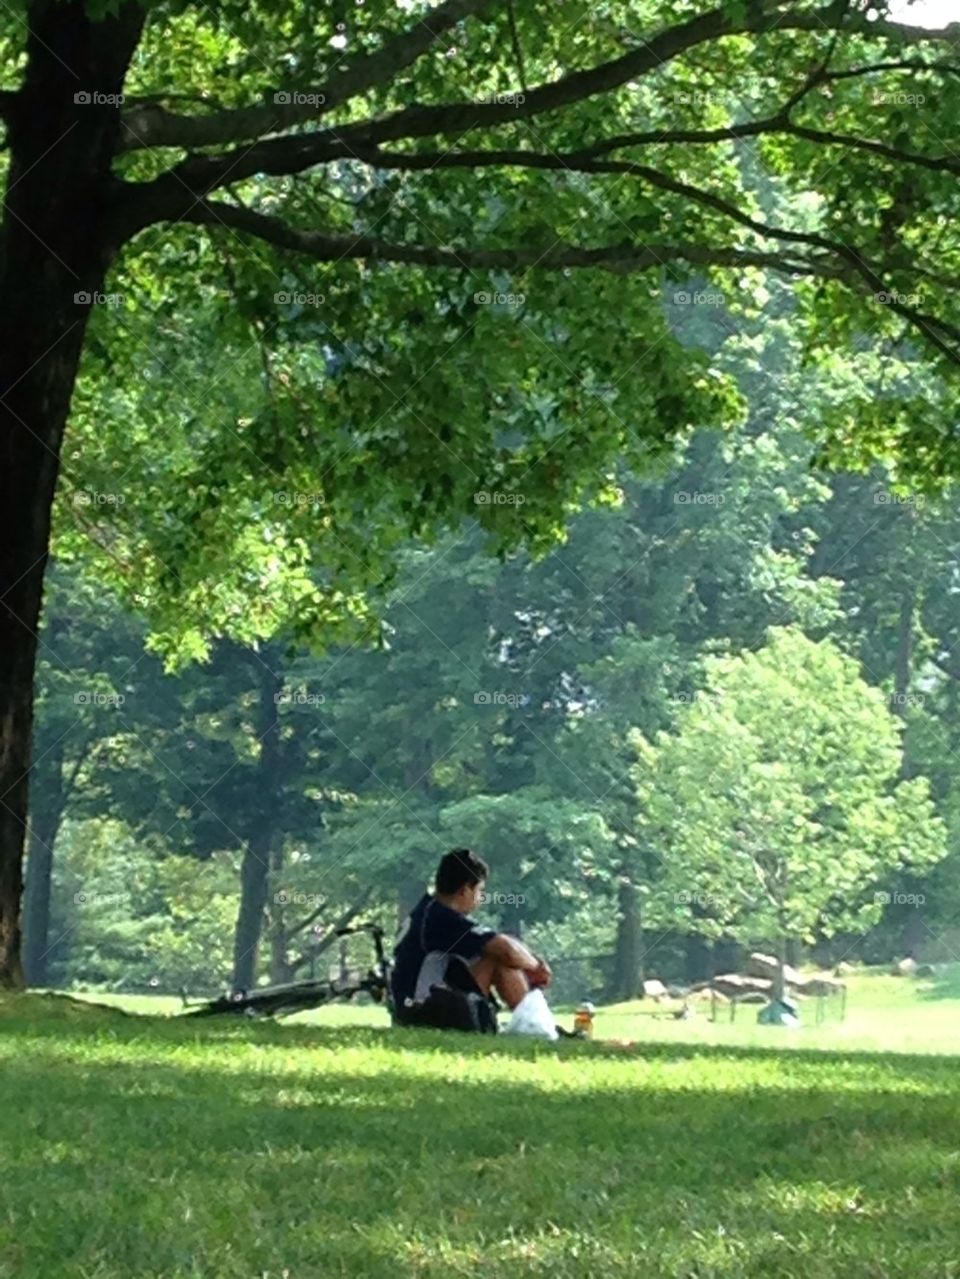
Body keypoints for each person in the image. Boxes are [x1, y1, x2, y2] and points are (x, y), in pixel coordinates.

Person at [392, 848, 552, 1032]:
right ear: (465, 890)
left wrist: (528, 961)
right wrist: (536, 966)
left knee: (493, 955)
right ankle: (536, 1029)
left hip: (412, 1004)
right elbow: (506, 950)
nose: (481, 898)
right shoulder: (442, 918)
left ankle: (536, 1026)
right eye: (480, 890)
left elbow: (498, 943)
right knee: (500, 959)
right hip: (422, 1009)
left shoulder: (428, 910)